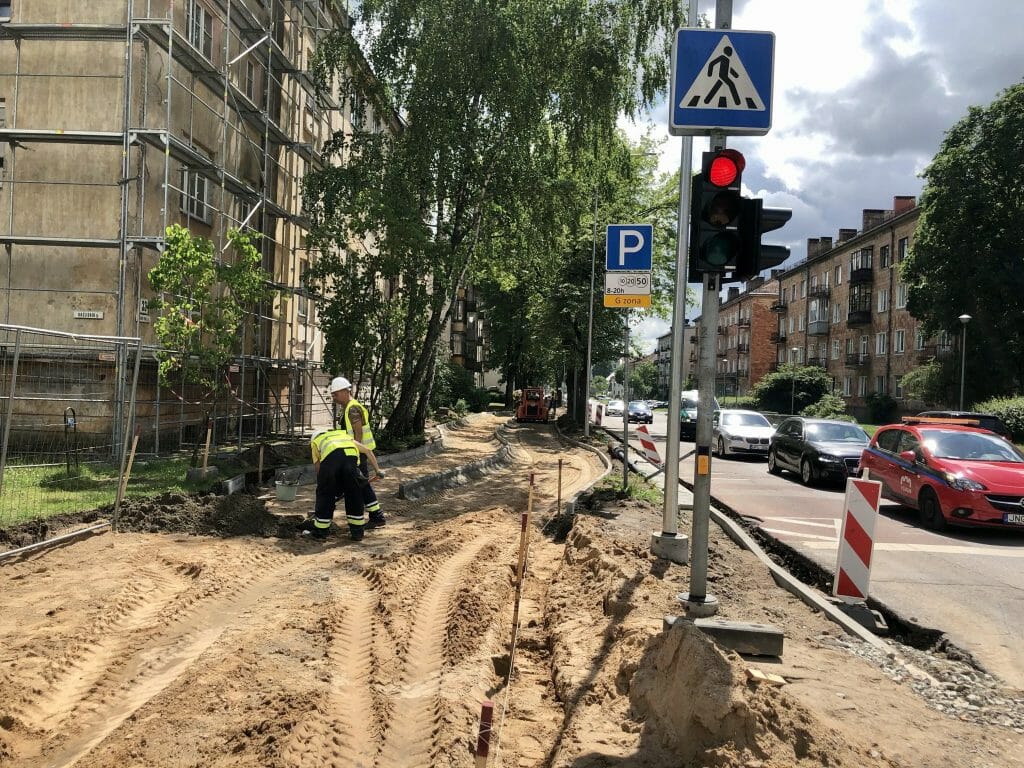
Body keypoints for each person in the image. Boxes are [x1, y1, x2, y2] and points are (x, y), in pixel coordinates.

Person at [302, 427, 384, 541]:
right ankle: (357, 532)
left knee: (325, 495)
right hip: (351, 464)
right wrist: (377, 470)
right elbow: (368, 450)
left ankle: (320, 532)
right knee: (354, 495)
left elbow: (318, 467)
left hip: (331, 462)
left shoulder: (316, 442)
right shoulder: (343, 437)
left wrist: (325, 487)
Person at [329, 376, 387, 529]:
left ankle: (377, 516)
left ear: (344, 391)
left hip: (358, 453)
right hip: (356, 452)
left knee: (362, 484)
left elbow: (358, 432)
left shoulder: (352, 408)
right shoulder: (347, 408)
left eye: (335, 394)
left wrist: (354, 454)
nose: (334, 397)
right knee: (362, 484)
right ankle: (377, 516)